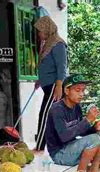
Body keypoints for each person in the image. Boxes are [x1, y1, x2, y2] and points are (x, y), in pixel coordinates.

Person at [45, 74, 100, 172]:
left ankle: (94, 171)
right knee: (93, 139)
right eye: (78, 90)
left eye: (83, 90)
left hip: (72, 148)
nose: (82, 94)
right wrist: (87, 120)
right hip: (59, 154)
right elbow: (64, 136)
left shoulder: (77, 107)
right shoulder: (57, 109)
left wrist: (94, 127)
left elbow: (80, 131)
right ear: (66, 90)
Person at [33, 16, 68, 154]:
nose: (39, 34)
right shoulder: (48, 43)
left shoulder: (57, 44)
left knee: (45, 115)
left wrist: (59, 86)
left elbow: (62, 66)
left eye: (40, 31)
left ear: (47, 29)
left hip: (54, 86)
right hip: (48, 85)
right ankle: (60, 145)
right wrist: (39, 80)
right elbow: (46, 65)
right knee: (54, 117)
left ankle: (39, 147)